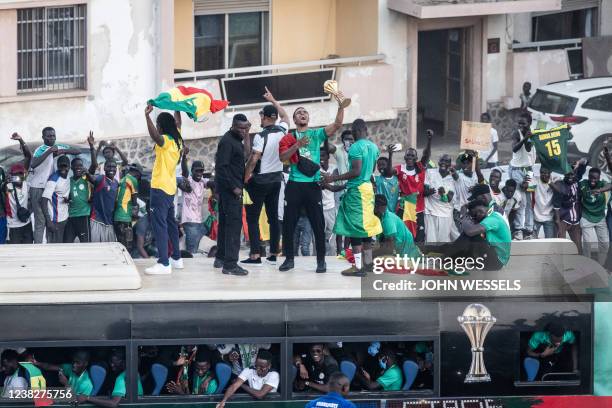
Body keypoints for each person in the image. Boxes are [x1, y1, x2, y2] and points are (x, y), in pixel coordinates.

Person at [278, 100, 345, 273]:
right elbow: (282, 157)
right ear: (294, 119)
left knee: (317, 223)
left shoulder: (316, 135)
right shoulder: (289, 137)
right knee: (289, 224)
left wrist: (341, 106)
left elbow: (337, 124)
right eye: (299, 112)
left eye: (304, 112)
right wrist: (297, 145)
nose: (302, 114)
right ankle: (289, 259)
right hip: (294, 184)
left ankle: (321, 261)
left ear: (308, 117)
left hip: (312, 186)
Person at [324, 119, 382, 276]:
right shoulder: (374, 147)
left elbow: (356, 171)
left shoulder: (356, 147)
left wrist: (333, 178)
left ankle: (357, 267)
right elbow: (372, 169)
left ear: (356, 131)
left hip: (357, 190)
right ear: (366, 130)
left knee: (355, 228)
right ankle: (368, 264)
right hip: (368, 190)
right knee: (366, 226)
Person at [243, 88, 289, 265]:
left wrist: (246, 176)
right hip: (276, 180)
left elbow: (254, 159)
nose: (260, 119)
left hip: (260, 181)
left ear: (268, 117)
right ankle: (273, 253)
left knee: (252, 218)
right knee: (273, 217)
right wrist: (273, 100)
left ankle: (255, 255)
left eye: (262, 116)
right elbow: (285, 117)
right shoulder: (283, 130)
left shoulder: (261, 136)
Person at [143, 105, 184, 275]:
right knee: (171, 223)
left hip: (160, 187)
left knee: (159, 225)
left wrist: (147, 117)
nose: (157, 127)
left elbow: (156, 137)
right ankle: (176, 258)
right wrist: (177, 107)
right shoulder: (178, 139)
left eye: (159, 124)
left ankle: (164, 263)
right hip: (170, 187)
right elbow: (178, 123)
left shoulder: (166, 140)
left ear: (162, 126)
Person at [27, 127, 80, 243]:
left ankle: (50, 246)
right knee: (40, 221)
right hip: (37, 187)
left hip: (49, 186)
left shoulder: (57, 146)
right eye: (48, 136)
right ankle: (39, 247)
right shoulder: (40, 149)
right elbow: (33, 164)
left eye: (53, 136)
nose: (52, 138)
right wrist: (49, 151)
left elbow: (77, 151)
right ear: (43, 137)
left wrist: (62, 151)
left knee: (50, 219)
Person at [214, 114, 251, 276]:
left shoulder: (236, 140)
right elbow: (221, 168)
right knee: (234, 227)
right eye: (241, 128)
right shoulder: (227, 141)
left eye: (245, 128)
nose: (243, 131)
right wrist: (234, 187)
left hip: (229, 190)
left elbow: (245, 157)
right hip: (230, 191)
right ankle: (230, 265)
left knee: (225, 225)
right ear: (233, 126)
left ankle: (221, 258)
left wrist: (247, 135)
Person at [446, 199, 511, 271]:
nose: (479, 214)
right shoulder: (490, 215)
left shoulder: (493, 218)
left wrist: (463, 216)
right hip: (494, 257)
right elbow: (465, 206)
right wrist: (465, 210)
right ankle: (451, 257)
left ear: (486, 206)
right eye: (475, 214)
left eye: (479, 210)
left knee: (472, 234)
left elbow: (470, 231)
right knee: (471, 235)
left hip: (496, 263)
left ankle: (448, 258)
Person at [394, 130, 433, 242]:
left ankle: (417, 256)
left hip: (418, 209)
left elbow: (426, 154)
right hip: (403, 208)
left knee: (419, 236)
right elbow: (388, 172)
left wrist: (429, 140)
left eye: (412, 155)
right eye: (408, 155)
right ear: (405, 157)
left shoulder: (420, 167)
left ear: (416, 158)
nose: (410, 157)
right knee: (403, 234)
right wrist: (391, 154)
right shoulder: (399, 168)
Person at [77, 349, 143, 407]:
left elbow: (113, 403)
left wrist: (87, 398)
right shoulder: (134, 373)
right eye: (111, 362)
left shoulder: (121, 378)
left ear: (123, 362)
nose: (111, 365)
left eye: (115, 363)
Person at [179, 148, 214, 255]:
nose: (199, 173)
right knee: (192, 250)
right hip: (189, 221)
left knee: (197, 246)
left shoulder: (202, 181)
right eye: (197, 170)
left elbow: (213, 183)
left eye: (201, 171)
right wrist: (184, 157)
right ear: (192, 171)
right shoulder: (188, 180)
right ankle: (189, 266)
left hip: (199, 221)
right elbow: (184, 171)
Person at [86, 133, 119, 243]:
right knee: (95, 250)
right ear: (104, 168)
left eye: (114, 167)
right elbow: (91, 175)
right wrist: (92, 147)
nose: (111, 169)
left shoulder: (116, 183)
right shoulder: (101, 179)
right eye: (109, 167)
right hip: (97, 221)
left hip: (109, 223)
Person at [509, 113, 536, 240]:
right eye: (519, 123)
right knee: (521, 201)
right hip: (517, 170)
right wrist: (525, 138)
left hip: (528, 171)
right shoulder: (517, 134)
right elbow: (514, 149)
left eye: (523, 123)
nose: (520, 126)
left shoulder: (533, 134)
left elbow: (529, 149)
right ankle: (518, 229)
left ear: (529, 124)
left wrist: (529, 138)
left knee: (529, 202)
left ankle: (529, 229)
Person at [551, 159, 587, 253]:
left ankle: (578, 267)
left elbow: (586, 161)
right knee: (561, 248)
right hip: (563, 220)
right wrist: (558, 221)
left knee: (578, 248)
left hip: (575, 221)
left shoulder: (576, 180)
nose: (571, 177)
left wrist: (578, 162)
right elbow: (556, 205)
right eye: (568, 175)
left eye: (572, 174)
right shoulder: (560, 184)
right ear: (564, 175)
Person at [373, 194, 421, 261]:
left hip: (404, 248)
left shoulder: (387, 221)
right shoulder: (381, 216)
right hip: (400, 245)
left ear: (375, 207)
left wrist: (371, 254)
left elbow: (389, 249)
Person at [579, 167, 611, 265]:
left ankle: (601, 265)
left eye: (595, 178)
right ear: (588, 176)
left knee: (605, 244)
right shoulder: (583, 184)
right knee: (587, 245)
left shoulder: (602, 184)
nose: (593, 180)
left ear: (599, 178)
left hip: (600, 218)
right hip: (586, 217)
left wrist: (600, 190)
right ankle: (587, 266)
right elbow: (574, 181)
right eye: (591, 177)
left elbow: (610, 185)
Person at [451, 152, 484, 238]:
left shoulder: (475, 177)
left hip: (473, 213)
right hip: (460, 213)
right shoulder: (460, 176)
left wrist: (476, 158)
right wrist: (452, 170)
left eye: (468, 163)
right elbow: (455, 175)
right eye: (463, 163)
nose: (465, 165)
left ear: (472, 164)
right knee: (462, 237)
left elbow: (480, 178)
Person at [424, 154, 455, 243]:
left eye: (447, 161)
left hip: (445, 214)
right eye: (442, 160)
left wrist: (442, 194)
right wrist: (429, 192)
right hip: (430, 211)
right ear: (438, 162)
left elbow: (448, 199)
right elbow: (424, 192)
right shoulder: (430, 172)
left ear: (450, 164)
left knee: (443, 240)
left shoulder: (452, 178)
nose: (443, 163)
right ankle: (430, 257)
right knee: (430, 240)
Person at [41, 155, 71, 243]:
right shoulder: (53, 180)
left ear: (69, 167)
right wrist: (48, 221)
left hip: (65, 218)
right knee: (55, 249)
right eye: (60, 166)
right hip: (55, 221)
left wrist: (68, 200)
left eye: (65, 166)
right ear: (57, 166)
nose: (63, 168)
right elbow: (43, 201)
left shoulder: (68, 177)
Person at [320, 148, 344, 255]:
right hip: (319, 209)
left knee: (331, 239)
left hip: (331, 208)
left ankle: (331, 259)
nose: (321, 158)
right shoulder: (315, 170)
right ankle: (318, 258)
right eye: (319, 156)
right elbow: (331, 188)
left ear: (328, 157)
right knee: (319, 238)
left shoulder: (334, 169)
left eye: (323, 156)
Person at [114, 164, 142, 251]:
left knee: (119, 241)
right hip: (125, 216)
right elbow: (134, 202)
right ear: (137, 174)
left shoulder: (122, 179)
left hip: (117, 215)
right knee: (127, 243)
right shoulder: (133, 180)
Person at [64, 157, 92, 243]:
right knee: (66, 243)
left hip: (83, 216)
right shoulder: (68, 181)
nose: (78, 168)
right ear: (71, 168)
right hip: (71, 216)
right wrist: (67, 200)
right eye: (76, 166)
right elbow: (66, 195)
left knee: (86, 244)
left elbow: (94, 166)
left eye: (80, 165)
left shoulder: (87, 179)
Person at [5, 163, 32, 244]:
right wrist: (6, 180)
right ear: (11, 176)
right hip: (13, 226)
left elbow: (28, 158)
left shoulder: (26, 184)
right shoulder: (7, 187)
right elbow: (4, 190)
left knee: (29, 250)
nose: (18, 177)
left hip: (27, 223)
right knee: (15, 252)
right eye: (15, 175)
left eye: (20, 174)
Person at [375, 145, 400, 215]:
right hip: (381, 213)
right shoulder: (377, 179)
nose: (380, 167)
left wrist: (390, 155)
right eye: (379, 165)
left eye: (383, 164)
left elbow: (389, 172)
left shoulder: (396, 179)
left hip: (394, 213)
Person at [533, 167, 557, 239]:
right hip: (536, 216)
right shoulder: (536, 180)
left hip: (549, 217)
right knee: (532, 241)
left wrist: (549, 182)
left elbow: (560, 191)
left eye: (547, 173)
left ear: (550, 174)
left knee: (549, 242)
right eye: (542, 173)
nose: (544, 175)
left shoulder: (554, 180)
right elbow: (526, 187)